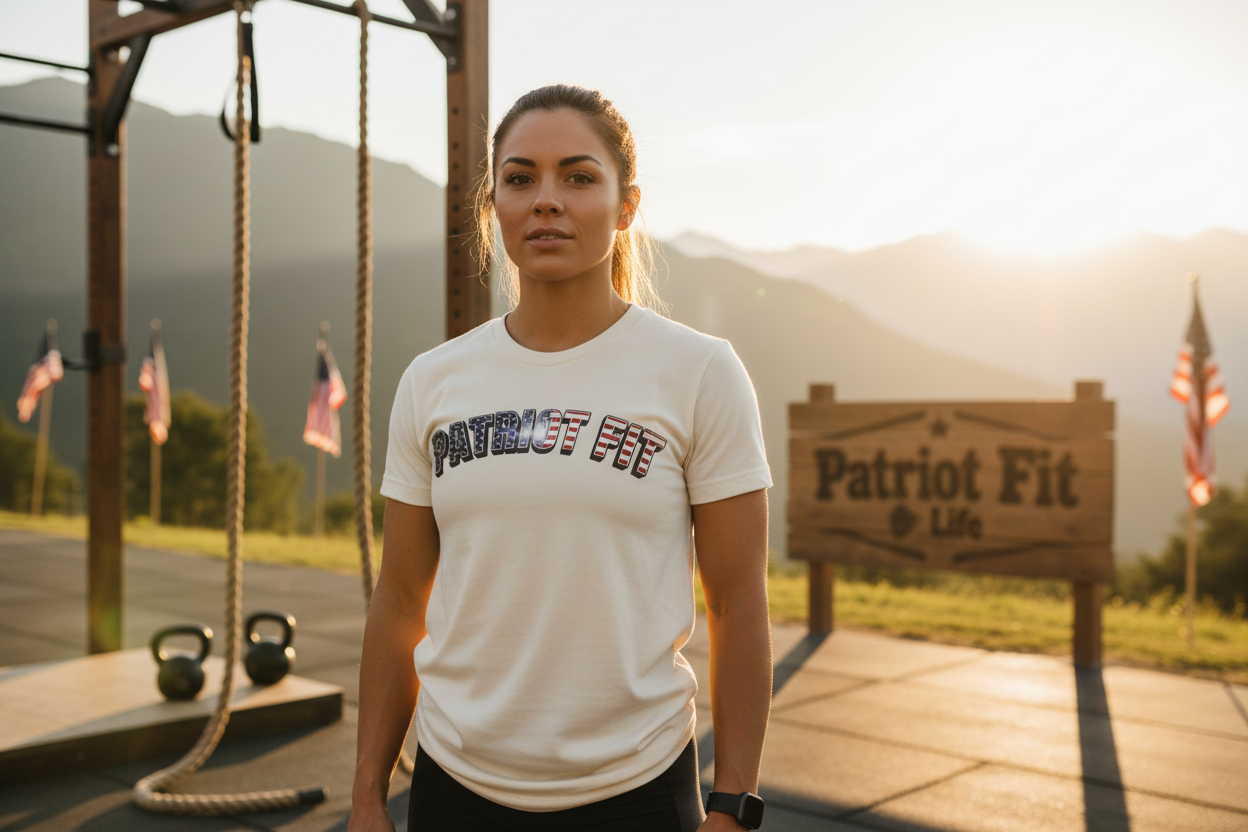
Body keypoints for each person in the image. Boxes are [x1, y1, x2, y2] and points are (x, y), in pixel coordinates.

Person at [349, 84, 773, 832]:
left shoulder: (700, 372)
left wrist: (734, 804)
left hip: (636, 788)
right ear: (494, 206)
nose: (546, 199)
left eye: (578, 176)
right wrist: (365, 797)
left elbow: (738, 603)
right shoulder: (432, 381)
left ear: (626, 206)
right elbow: (400, 601)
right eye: (520, 178)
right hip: (455, 787)